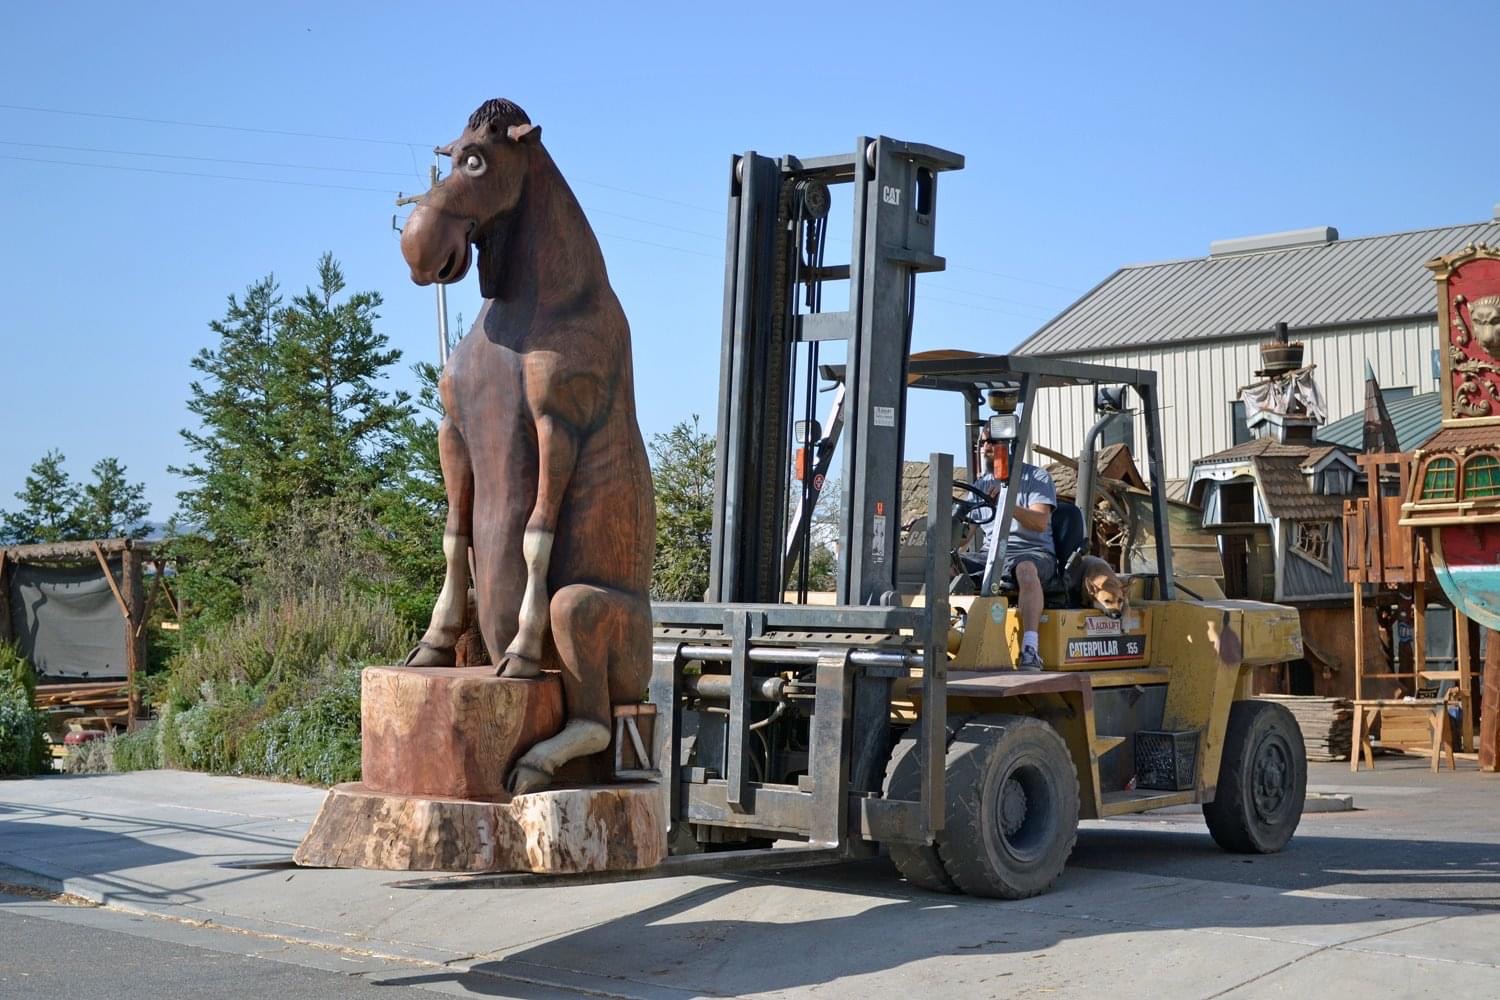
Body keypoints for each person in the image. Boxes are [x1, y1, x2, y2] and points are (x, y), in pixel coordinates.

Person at [972, 431, 1057, 671]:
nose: (985, 447)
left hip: (1034, 551)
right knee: (945, 566)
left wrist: (1006, 504)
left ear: (1009, 445)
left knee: (1026, 570)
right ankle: (946, 638)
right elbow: (966, 531)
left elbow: (1040, 522)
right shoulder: (982, 483)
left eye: (992, 442)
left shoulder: (1036, 478)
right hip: (991, 553)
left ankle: (1030, 649)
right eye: (982, 442)